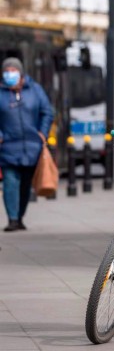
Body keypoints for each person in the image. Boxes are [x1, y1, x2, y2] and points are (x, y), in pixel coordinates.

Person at [0, 57, 53, 232]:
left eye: (13, 70)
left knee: (25, 186)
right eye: (6, 71)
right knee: (10, 182)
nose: (9, 74)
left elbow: (47, 112)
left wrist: (42, 133)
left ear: (21, 74)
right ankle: (12, 219)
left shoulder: (35, 90)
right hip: (8, 147)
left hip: (32, 147)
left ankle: (20, 216)